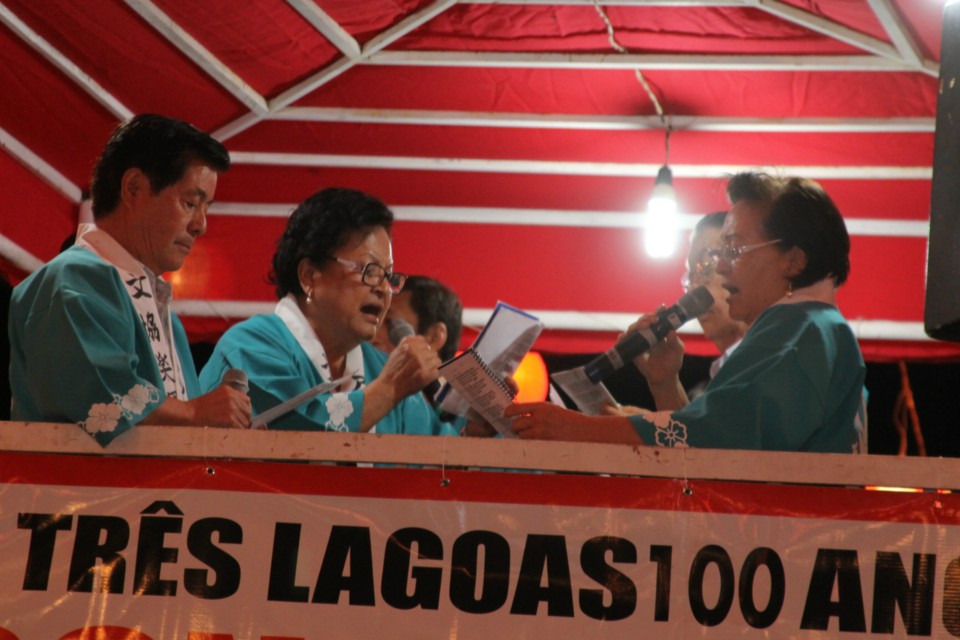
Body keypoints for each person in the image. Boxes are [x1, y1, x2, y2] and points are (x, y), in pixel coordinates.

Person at [507, 171, 867, 453]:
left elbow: (715, 438)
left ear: (794, 260)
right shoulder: (814, 327)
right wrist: (664, 382)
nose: (722, 268)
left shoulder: (798, 330)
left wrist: (573, 428)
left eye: (734, 251)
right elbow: (713, 441)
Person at [9, 114, 252, 446]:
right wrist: (197, 414)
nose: (201, 225)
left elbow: (187, 424)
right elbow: (104, 403)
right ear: (133, 188)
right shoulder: (71, 280)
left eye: (206, 208)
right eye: (190, 203)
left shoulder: (166, 314)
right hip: (75, 495)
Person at [199, 187, 487, 436]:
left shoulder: (378, 367)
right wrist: (388, 390)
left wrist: (477, 430)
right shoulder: (251, 347)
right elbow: (301, 431)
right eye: (368, 270)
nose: (383, 289)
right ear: (310, 276)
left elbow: (437, 452)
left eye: (389, 276)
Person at [606, 211, 748, 416]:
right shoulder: (726, 369)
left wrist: (642, 429)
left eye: (706, 267)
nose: (694, 289)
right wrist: (665, 382)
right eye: (691, 277)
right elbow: (694, 443)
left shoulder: (771, 361)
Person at [370, 275, 463, 405]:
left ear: (434, 337)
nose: (372, 336)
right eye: (375, 320)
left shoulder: (464, 420)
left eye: (389, 322)